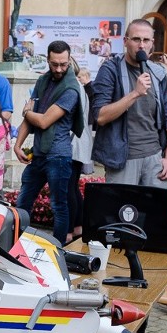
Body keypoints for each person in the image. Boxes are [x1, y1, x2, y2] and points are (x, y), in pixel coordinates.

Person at [14, 40, 83, 245]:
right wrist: (18, 145)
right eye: (55, 64)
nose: (59, 68)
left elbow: (42, 121)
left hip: (59, 156)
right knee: (22, 202)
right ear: (48, 59)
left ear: (69, 59)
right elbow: (30, 118)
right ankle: (18, 244)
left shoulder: (71, 89)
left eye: (63, 64)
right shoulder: (42, 81)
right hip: (39, 154)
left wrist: (27, 111)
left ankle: (57, 248)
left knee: (58, 205)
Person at [91, 18, 167, 188]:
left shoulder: (158, 73)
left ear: (152, 43)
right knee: (121, 212)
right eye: (136, 39)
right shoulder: (109, 70)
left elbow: (166, 116)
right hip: (122, 158)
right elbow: (100, 116)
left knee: (155, 213)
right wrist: (135, 93)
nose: (141, 45)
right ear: (125, 41)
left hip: (154, 157)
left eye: (146, 40)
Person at [68, 62, 94, 243]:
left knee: (68, 188)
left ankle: (70, 230)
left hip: (72, 143)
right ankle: (78, 226)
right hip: (78, 142)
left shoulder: (72, 88)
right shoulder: (79, 87)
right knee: (73, 187)